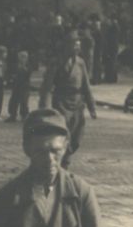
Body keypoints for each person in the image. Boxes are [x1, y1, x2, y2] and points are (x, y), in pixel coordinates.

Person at [40, 33, 98, 168]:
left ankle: (66, 156)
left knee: (77, 136)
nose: (77, 48)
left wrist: (92, 106)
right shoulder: (56, 62)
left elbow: (86, 85)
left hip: (77, 103)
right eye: (74, 45)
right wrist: (45, 106)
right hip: (61, 100)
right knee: (64, 132)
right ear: (66, 46)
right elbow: (47, 86)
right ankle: (63, 162)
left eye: (78, 45)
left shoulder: (80, 62)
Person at [6, 50, 31, 122]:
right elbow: (10, 73)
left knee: (24, 102)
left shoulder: (28, 65)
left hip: (25, 86)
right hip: (16, 86)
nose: (22, 58)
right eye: (20, 57)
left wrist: (23, 67)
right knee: (14, 101)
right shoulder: (15, 65)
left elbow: (28, 74)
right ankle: (12, 115)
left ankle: (24, 115)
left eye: (24, 57)